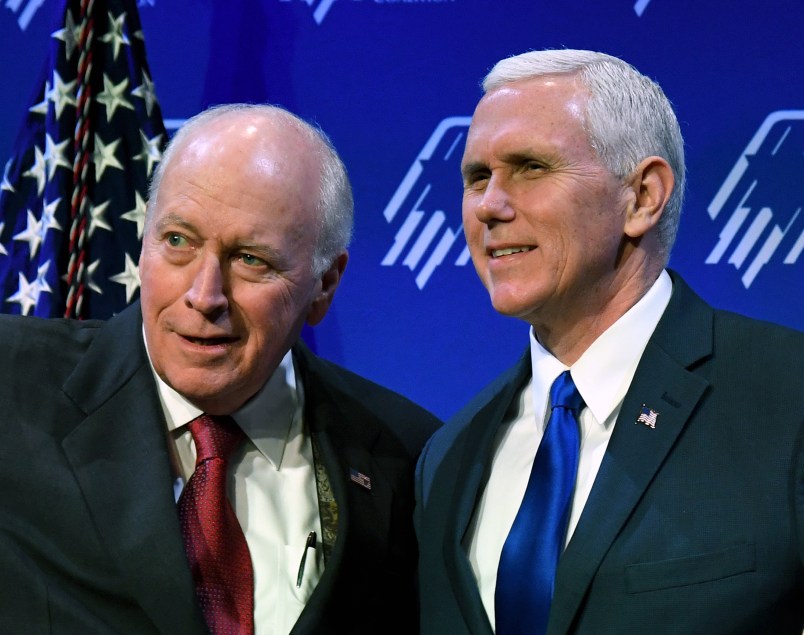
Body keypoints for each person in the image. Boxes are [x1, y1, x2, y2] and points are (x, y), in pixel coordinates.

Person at [0, 103, 440, 634]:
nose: (204, 295)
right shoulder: (13, 384)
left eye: (251, 259)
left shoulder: (408, 454)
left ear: (324, 284)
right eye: (178, 242)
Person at [415, 49, 803, 634]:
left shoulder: (788, 397)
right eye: (477, 177)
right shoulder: (447, 457)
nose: (489, 206)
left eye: (531, 167)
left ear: (643, 196)